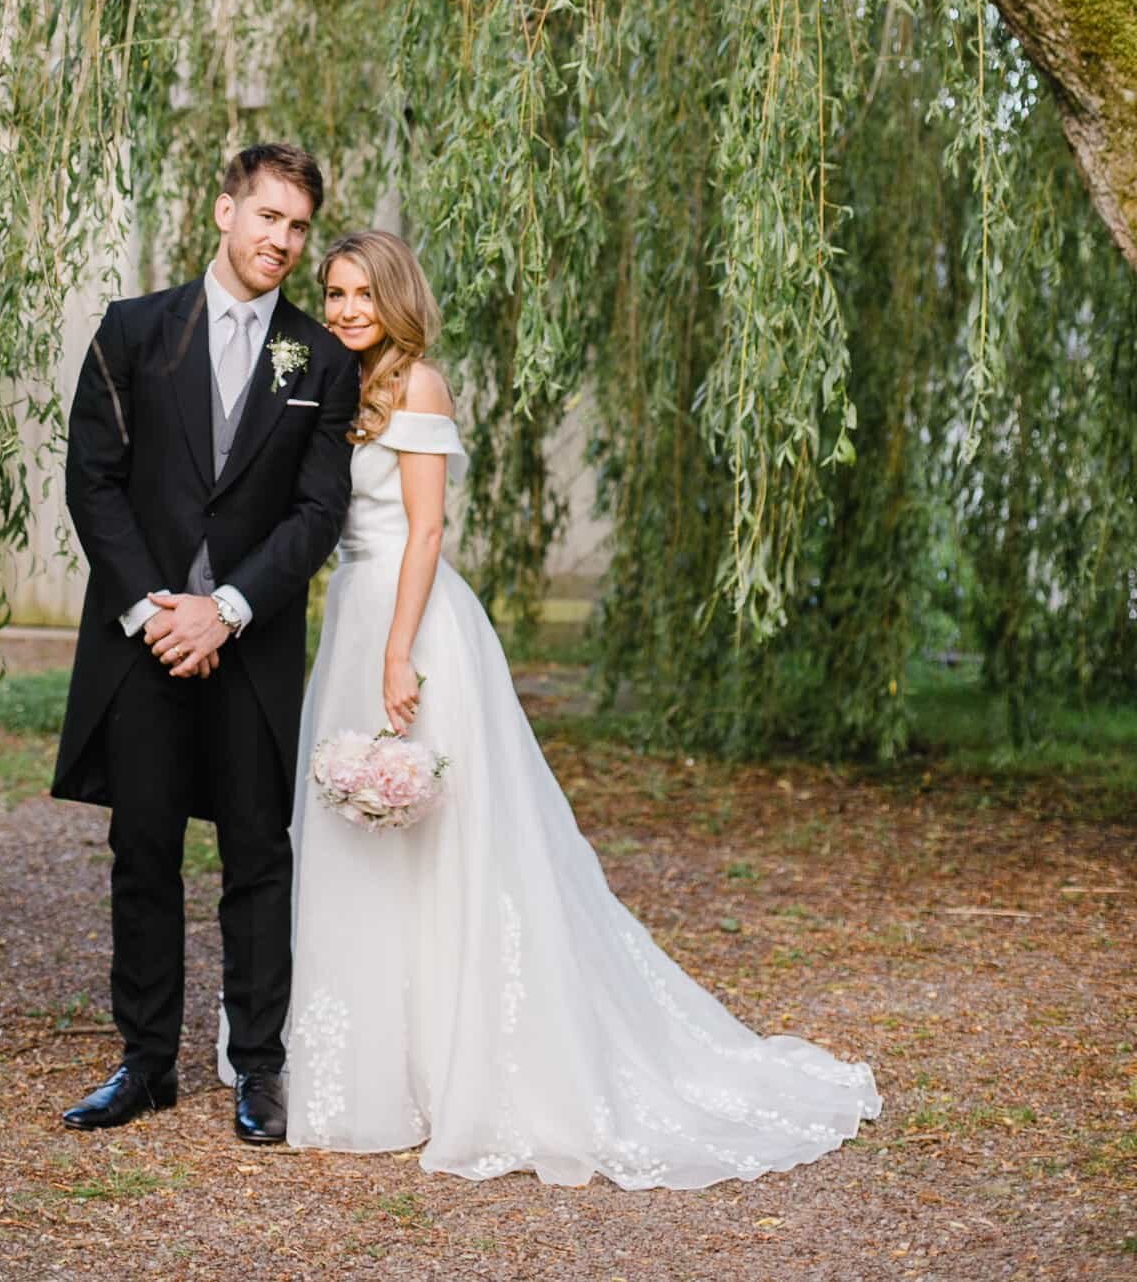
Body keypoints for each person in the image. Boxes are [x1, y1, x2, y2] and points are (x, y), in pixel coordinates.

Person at [283, 228, 881, 1187]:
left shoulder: (421, 386)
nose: (347, 308)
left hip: (410, 620)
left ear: (397, 296)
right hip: (353, 613)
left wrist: (399, 652)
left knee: (441, 833)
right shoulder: (344, 389)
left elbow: (427, 526)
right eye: (335, 293)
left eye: (362, 292)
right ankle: (372, 1072)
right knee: (361, 829)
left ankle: (461, 1062)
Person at [52, 142, 359, 1142]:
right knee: (142, 851)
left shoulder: (322, 359)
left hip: (249, 647)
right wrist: (157, 610)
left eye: (298, 226)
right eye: (267, 216)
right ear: (224, 212)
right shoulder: (134, 332)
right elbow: (92, 480)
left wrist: (225, 608)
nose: (282, 239)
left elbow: (315, 514)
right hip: (143, 642)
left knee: (256, 858)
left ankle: (258, 1070)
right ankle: (145, 1064)